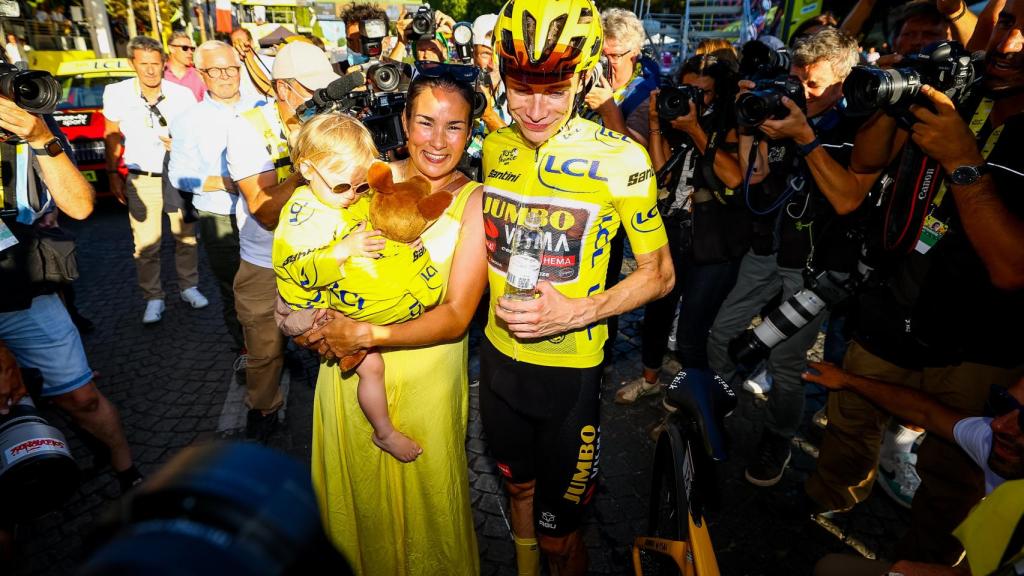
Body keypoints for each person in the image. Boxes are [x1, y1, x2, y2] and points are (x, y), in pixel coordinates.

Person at [805, 0, 1024, 563]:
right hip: (893, 306)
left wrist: (962, 158)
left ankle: (921, 563)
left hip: (981, 343)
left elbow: (1012, 269)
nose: (1009, 43)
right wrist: (893, 96)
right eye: (1005, 22)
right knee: (848, 424)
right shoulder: (966, 88)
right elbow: (868, 162)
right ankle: (822, 514)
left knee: (953, 475)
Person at [479, 1, 675, 573]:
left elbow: (660, 275)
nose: (536, 108)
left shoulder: (622, 159)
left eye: (555, 88)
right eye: (521, 87)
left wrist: (578, 312)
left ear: (585, 75)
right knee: (517, 494)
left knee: (561, 538)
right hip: (497, 364)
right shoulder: (495, 148)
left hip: (569, 375)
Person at [295, 71, 485, 574]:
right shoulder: (363, 180)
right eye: (425, 122)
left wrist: (368, 334)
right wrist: (313, 323)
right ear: (404, 121)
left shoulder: (474, 201)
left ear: (470, 133)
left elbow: (457, 315)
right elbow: (313, 250)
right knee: (357, 497)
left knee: (429, 506)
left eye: (455, 127)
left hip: (427, 379)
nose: (438, 141)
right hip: (348, 370)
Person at [705, 27, 864, 488]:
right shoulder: (778, 110)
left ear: (842, 82)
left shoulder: (855, 129)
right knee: (721, 334)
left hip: (810, 268)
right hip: (766, 250)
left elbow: (845, 200)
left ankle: (777, 437)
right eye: (796, 78)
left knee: (786, 367)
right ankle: (716, 408)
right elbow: (755, 177)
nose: (800, 90)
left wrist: (804, 134)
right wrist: (748, 120)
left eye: (812, 84)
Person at [273, 113, 441, 463]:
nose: (353, 196)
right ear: (306, 170)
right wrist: (341, 251)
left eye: (360, 185)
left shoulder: (345, 199)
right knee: (372, 367)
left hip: (333, 299)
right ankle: (385, 432)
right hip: (302, 308)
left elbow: (379, 219)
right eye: (342, 187)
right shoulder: (300, 212)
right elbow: (292, 268)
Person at [0, 89, 142, 494]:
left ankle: (126, 472)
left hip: (24, 288)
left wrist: (39, 136)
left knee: (83, 399)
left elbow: (80, 206)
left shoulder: (27, 127)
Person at [616, 54, 746, 403]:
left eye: (702, 92)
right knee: (656, 312)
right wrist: (659, 122)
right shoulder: (679, 118)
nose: (694, 98)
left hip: (715, 239)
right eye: (688, 89)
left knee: (691, 333)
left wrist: (695, 131)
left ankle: (696, 405)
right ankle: (650, 380)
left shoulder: (731, 120)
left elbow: (734, 177)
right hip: (674, 228)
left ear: (719, 93)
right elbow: (663, 171)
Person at [225, 41, 333, 441]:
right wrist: (313, 166)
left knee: (331, 336)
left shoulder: (329, 118)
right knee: (265, 350)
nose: (320, 96)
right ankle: (264, 409)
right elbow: (264, 210)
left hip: (323, 256)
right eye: (311, 88)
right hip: (265, 261)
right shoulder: (247, 126)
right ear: (283, 88)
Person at [168, 40, 265, 364]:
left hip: (262, 212)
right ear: (201, 73)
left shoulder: (262, 108)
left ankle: (277, 346)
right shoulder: (188, 120)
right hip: (220, 215)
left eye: (231, 68)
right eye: (216, 70)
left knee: (272, 282)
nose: (225, 76)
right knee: (235, 287)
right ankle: (248, 350)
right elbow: (179, 177)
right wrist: (227, 182)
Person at [103, 35, 207, 325]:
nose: (149, 70)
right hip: (141, 177)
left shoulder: (182, 95)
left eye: (155, 63)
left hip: (177, 172)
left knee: (185, 235)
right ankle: (154, 298)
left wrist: (181, 144)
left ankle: (189, 287)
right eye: (143, 64)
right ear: (132, 64)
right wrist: (113, 174)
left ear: (164, 63)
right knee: (146, 244)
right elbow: (110, 134)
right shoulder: (117, 93)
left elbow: (194, 135)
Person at [230, 27, 274, 99]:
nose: (239, 47)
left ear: (251, 43)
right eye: (236, 44)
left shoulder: (271, 62)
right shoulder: (231, 69)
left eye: (242, 43)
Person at [164, 30, 205, 102]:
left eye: (192, 49)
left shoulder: (198, 75)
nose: (190, 52)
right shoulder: (160, 74)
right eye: (185, 48)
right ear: (171, 49)